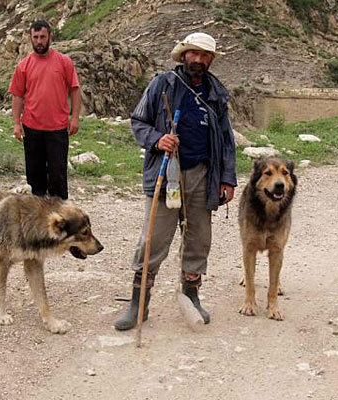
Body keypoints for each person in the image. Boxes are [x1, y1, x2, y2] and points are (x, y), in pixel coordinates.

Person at [114, 32, 237, 330]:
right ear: (183, 55)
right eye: (193, 53)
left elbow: (226, 139)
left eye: (204, 55)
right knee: (154, 237)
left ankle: (191, 296)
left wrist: (227, 178)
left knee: (198, 239)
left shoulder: (216, 93)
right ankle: (138, 303)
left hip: (202, 175)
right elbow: (138, 121)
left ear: (210, 60)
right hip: (166, 171)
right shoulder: (163, 85)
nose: (198, 59)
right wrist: (158, 139)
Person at [8, 20, 81, 200]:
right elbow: (17, 95)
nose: (39, 41)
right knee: (34, 177)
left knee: (58, 175)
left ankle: (60, 216)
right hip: (32, 129)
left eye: (42, 37)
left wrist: (75, 118)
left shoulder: (64, 62)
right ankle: (38, 218)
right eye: (35, 37)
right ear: (31, 39)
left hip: (57, 129)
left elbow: (75, 89)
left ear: (50, 37)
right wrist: (16, 123)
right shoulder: (23, 65)